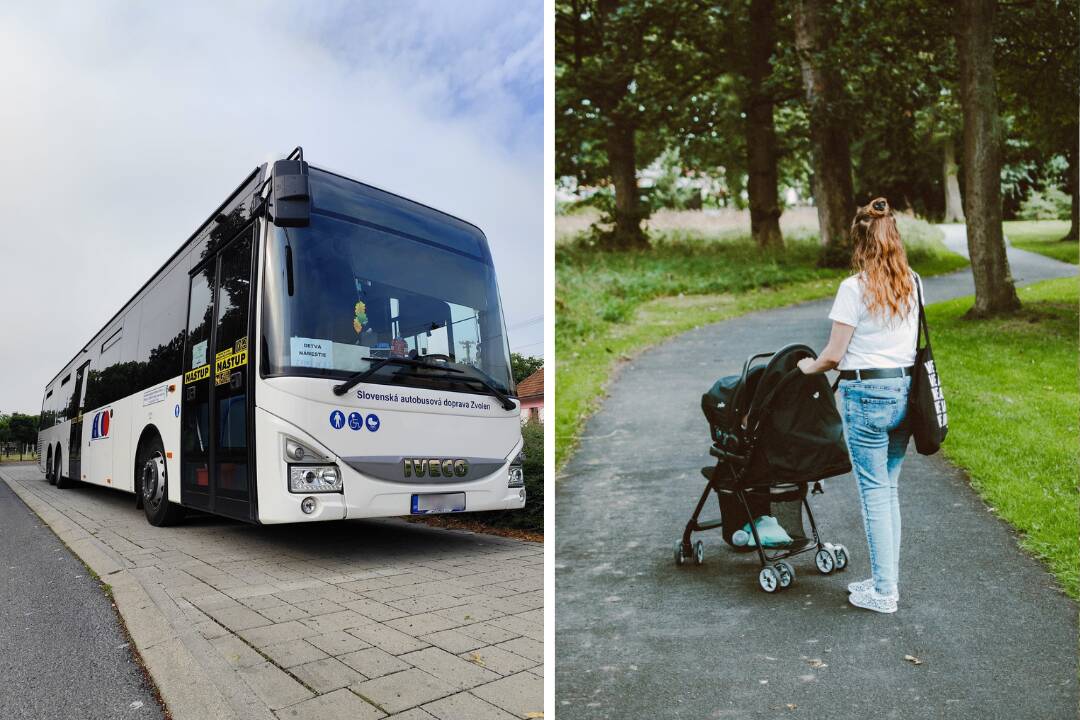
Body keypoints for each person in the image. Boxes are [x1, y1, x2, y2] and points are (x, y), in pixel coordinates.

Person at [796, 197, 921, 614]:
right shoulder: (913, 283)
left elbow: (833, 355)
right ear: (895, 239)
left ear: (860, 242)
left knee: (875, 495)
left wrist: (806, 368)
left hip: (867, 396)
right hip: (905, 394)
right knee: (889, 491)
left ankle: (884, 592)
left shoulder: (854, 288)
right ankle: (886, 581)